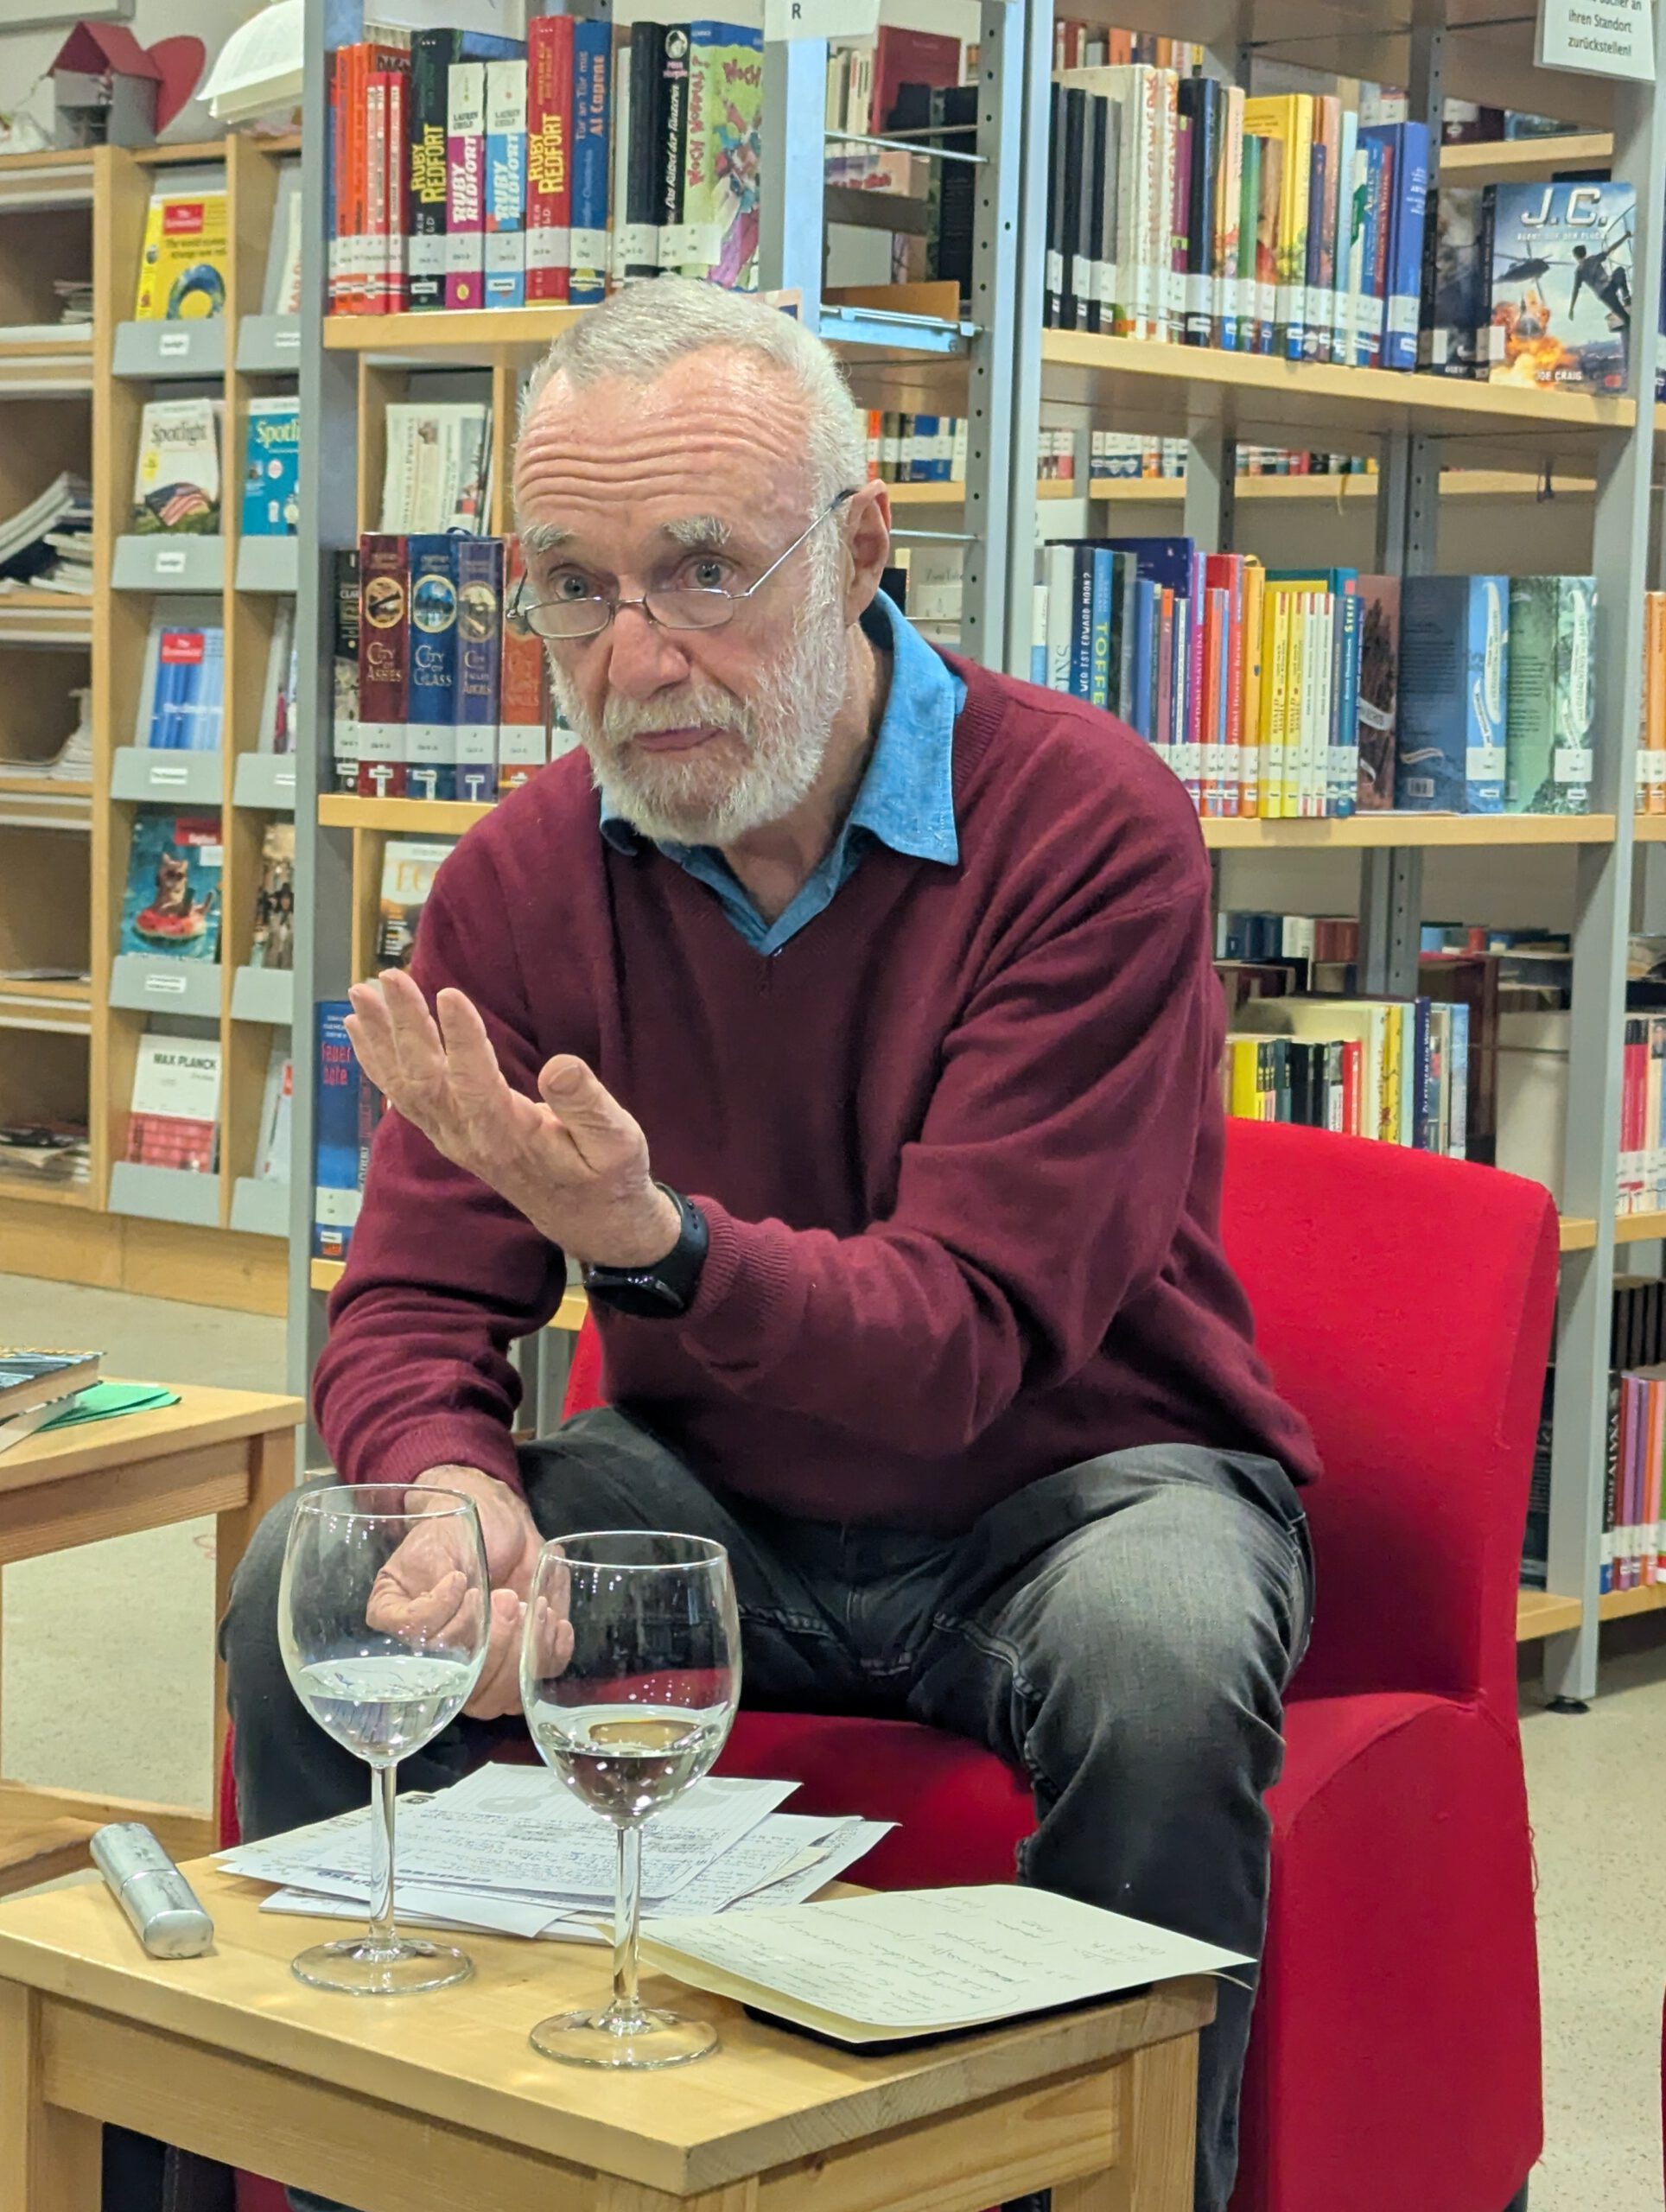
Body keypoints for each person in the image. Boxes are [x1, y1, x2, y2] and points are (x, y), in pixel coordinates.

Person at [222, 276, 1318, 2212]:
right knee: (313, 1592)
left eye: (704, 570)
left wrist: (658, 1249)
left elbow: (968, 1333)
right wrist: (452, 1488)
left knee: (1159, 1654)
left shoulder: (1086, 829)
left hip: (1073, 1486)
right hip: (710, 1502)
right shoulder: (524, 876)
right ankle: (411, 2170)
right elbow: (411, 1301)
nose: (637, 654)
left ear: (860, 547)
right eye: (572, 589)